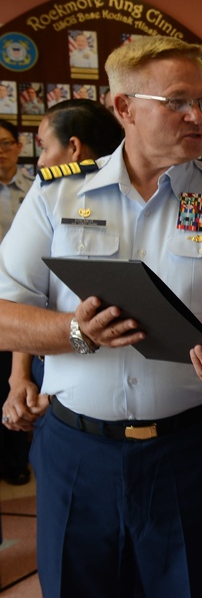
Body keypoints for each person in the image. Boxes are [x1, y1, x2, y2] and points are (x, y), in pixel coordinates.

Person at [0, 35, 202, 597]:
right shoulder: (56, 197)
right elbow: (6, 310)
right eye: (178, 102)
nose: (197, 116)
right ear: (125, 108)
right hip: (78, 455)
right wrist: (74, 334)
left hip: (195, 451)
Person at [2, 100, 125, 443]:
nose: (39, 160)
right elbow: (22, 298)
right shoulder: (47, 199)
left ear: (73, 148)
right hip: (58, 373)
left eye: (44, 147)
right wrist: (19, 375)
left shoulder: (138, 203)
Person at [0, 119, 34, 486]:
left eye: (6, 143)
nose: (1, 150)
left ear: (18, 146)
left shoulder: (37, 187)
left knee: (16, 381)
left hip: (23, 301)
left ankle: (15, 461)